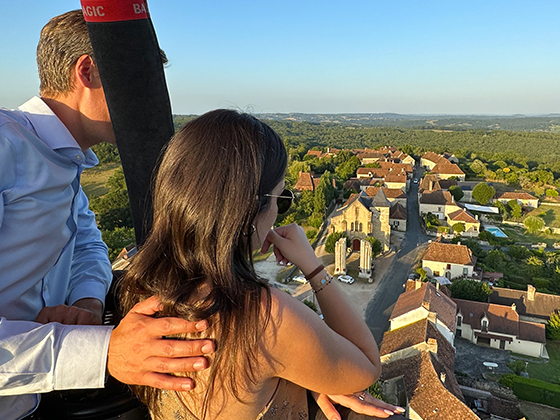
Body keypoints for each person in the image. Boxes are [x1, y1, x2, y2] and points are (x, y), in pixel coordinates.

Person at [120, 109, 405, 420]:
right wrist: (313, 267)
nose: (279, 214)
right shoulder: (263, 316)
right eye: (281, 200)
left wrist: (306, 369)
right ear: (249, 211)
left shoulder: (139, 285)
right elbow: (366, 366)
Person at [0, 10, 212, 419]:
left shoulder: (64, 161)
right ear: (89, 71)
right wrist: (104, 351)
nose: (145, 102)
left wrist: (87, 301)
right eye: (140, 82)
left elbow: (85, 242)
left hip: (32, 401)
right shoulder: (8, 150)